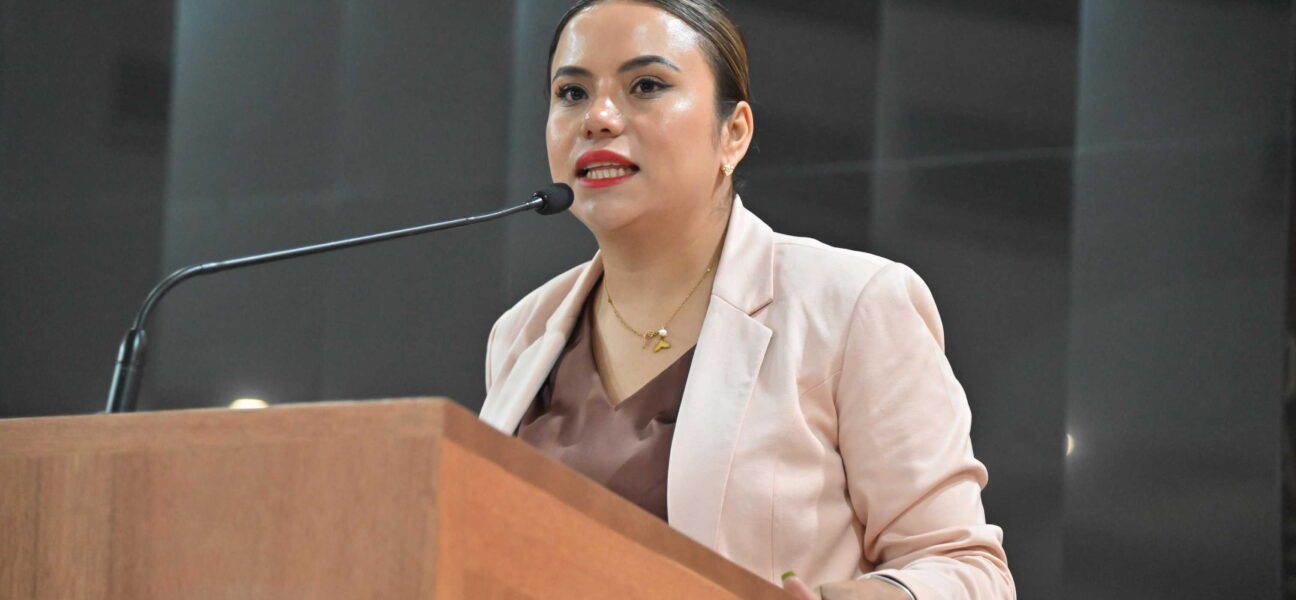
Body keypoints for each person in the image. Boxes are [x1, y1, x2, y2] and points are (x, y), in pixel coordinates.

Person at [478, 1, 1015, 597]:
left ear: (733, 133)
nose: (598, 118)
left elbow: (968, 570)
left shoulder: (852, 304)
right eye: (572, 93)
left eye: (646, 85)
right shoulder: (522, 332)